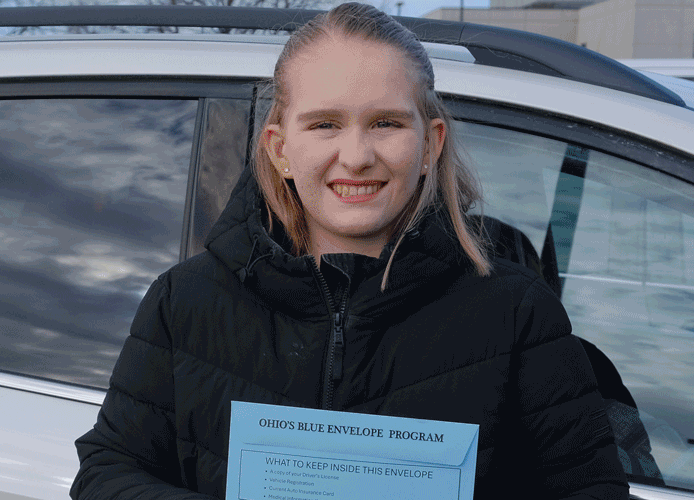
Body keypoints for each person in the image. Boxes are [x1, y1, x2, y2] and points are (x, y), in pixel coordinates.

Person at [70, 3, 629, 499]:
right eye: (325, 125)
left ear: (430, 143)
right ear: (281, 148)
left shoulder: (517, 316)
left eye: (386, 122)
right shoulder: (185, 302)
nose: (356, 155)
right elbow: (106, 472)